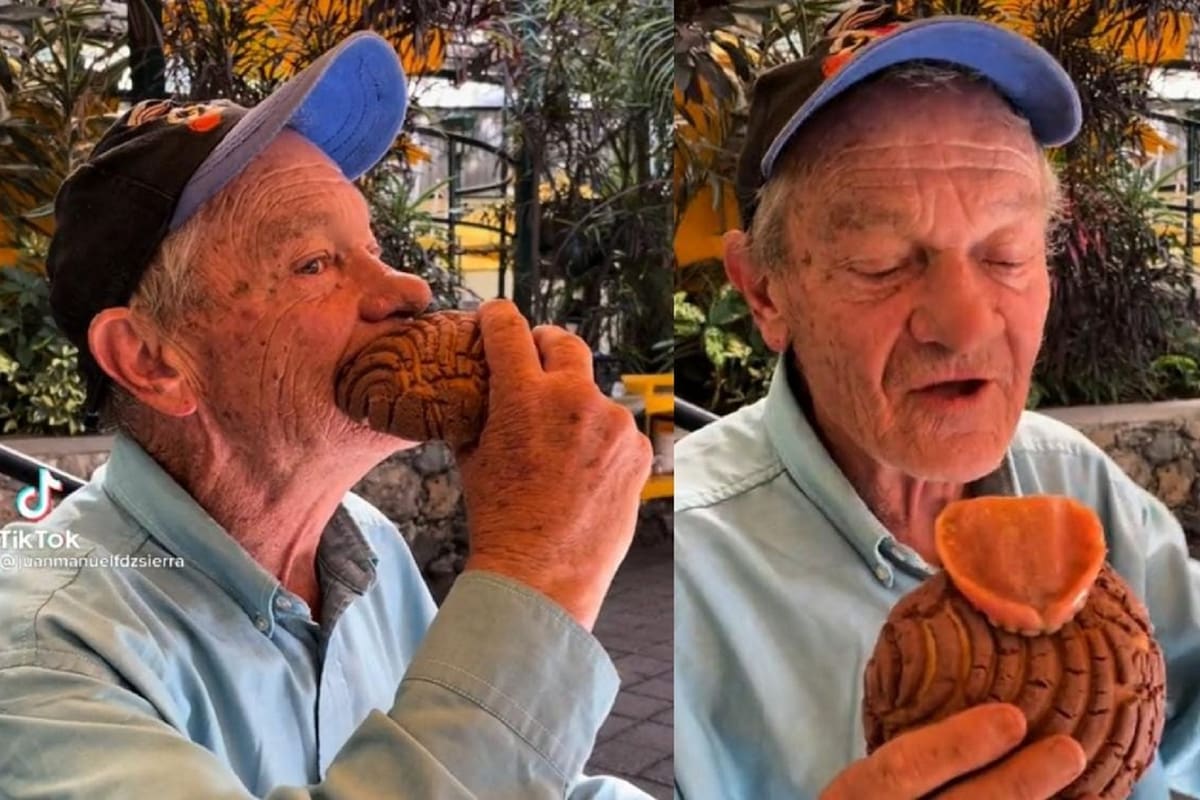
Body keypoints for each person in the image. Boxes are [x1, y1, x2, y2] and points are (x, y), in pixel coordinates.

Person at [0, 32, 654, 798]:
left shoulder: (368, 548)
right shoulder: (44, 659)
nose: (408, 290)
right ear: (152, 361)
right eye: (315, 263)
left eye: (372, 248)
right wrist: (540, 573)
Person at [674, 4, 1200, 799]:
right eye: (882, 263)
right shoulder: (692, 574)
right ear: (764, 293)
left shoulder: (1082, 494)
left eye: (1006, 255)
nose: (964, 326)